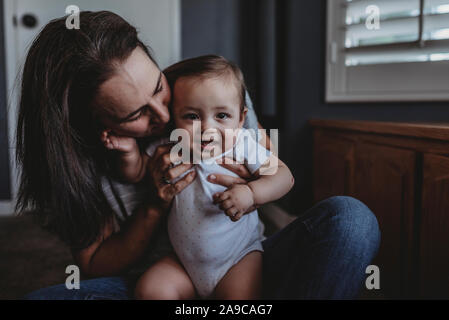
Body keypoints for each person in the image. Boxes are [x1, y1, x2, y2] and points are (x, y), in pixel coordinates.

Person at [17, 11, 380, 300]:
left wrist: (252, 189)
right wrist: (155, 204)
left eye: (159, 87)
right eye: (135, 115)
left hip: (239, 258)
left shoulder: (207, 93)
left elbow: (276, 175)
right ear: (100, 130)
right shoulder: (99, 155)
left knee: (351, 220)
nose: (164, 116)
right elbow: (96, 263)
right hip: (171, 266)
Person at [103, 54, 294, 299]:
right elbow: (138, 172)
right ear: (174, 118)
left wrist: (251, 192)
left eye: (222, 116)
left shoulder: (243, 145)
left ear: (241, 118)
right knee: (150, 290)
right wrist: (128, 152)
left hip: (238, 257)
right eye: (192, 116)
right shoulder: (173, 146)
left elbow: (284, 176)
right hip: (183, 261)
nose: (207, 128)